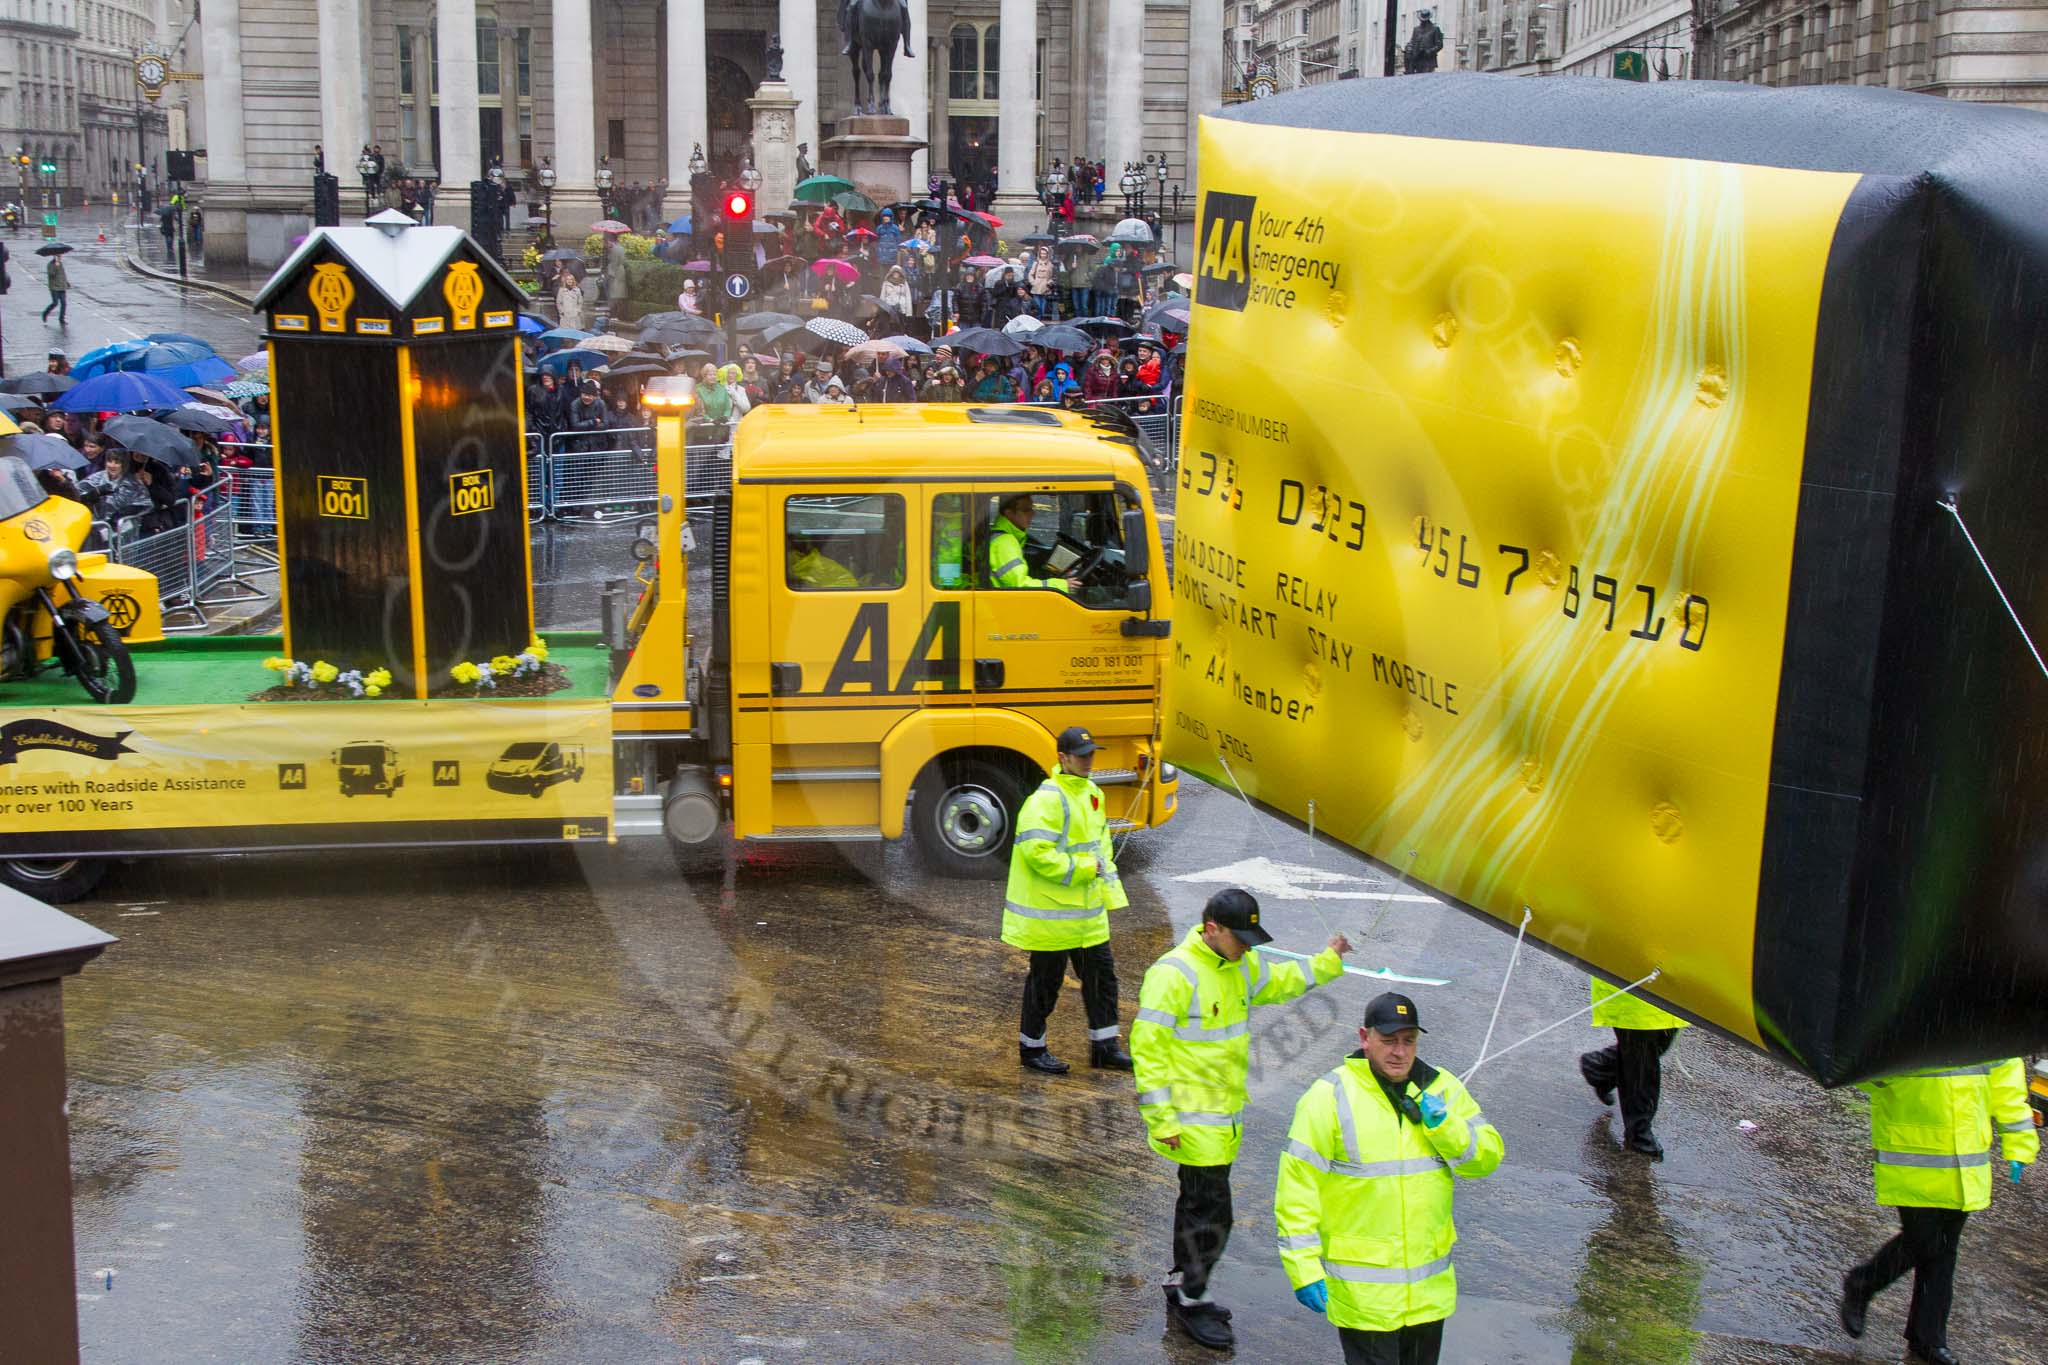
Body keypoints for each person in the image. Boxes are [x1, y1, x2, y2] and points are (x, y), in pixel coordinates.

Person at [1132, 889, 1353, 1350]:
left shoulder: (1239, 964)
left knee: (1197, 1206)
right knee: (1214, 1215)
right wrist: (1161, 1120)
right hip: (1192, 1123)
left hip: (1223, 1117)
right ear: (1212, 929)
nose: (1249, 949)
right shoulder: (1173, 974)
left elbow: (1281, 981)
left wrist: (1328, 961)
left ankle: (1184, 1284)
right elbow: (1148, 1051)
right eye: (1242, 939)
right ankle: (1193, 1299)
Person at [1277, 993, 1504, 1365]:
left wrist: (1447, 1127)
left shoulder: (1441, 1088)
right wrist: (1303, 1268)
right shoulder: (1328, 1098)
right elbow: (1296, 1191)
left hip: (1427, 1296)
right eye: (1388, 1040)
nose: (1400, 1052)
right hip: (1365, 1298)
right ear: (1364, 1038)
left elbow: (1486, 1160)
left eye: (1408, 1040)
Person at [1837, 1058, 2036, 1365]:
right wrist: (1894, 1067)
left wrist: (2020, 1144)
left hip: (1965, 1162)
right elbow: (1868, 1072)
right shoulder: (1914, 1028)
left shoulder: (1991, 1035)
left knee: (1944, 1249)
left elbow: (2008, 1091)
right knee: (1925, 1241)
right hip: (1913, 1153)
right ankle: (1863, 1284)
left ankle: (1927, 1340)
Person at [1003, 726, 1130, 1075]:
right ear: (1063, 757)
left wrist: (1110, 893)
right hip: (1053, 917)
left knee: (1103, 981)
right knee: (1045, 984)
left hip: (1088, 916)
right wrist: (1087, 868)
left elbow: (1102, 850)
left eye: (1091, 755)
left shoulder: (1092, 794)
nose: (1088, 761)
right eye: (1081, 755)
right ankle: (1032, 1050)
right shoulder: (1046, 799)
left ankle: (1105, 1048)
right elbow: (1037, 853)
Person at [1577, 977, 1688, 1158]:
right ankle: (1639, 1133)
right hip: (1633, 982)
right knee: (1642, 1058)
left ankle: (1602, 1067)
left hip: (1669, 982)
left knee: (1659, 1042)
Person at [41, 249, 68, 325]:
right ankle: (45, 313)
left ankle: (61, 319)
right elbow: (51, 274)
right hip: (54, 287)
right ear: (54, 256)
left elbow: (62, 274)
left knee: (64, 303)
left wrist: (66, 282)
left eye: (60, 256)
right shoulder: (50, 265)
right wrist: (56, 267)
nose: (59, 257)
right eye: (58, 256)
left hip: (62, 286)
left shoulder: (60, 264)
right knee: (55, 303)